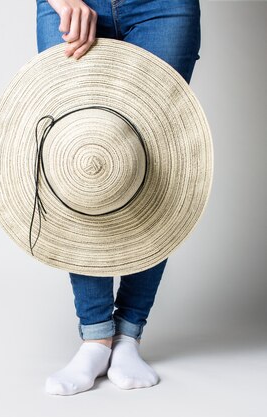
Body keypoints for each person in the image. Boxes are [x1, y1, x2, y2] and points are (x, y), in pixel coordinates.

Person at [36, 0, 202, 395]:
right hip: (69, 3)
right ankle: (95, 338)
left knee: (153, 160)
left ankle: (129, 335)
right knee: (81, 157)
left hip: (163, 7)